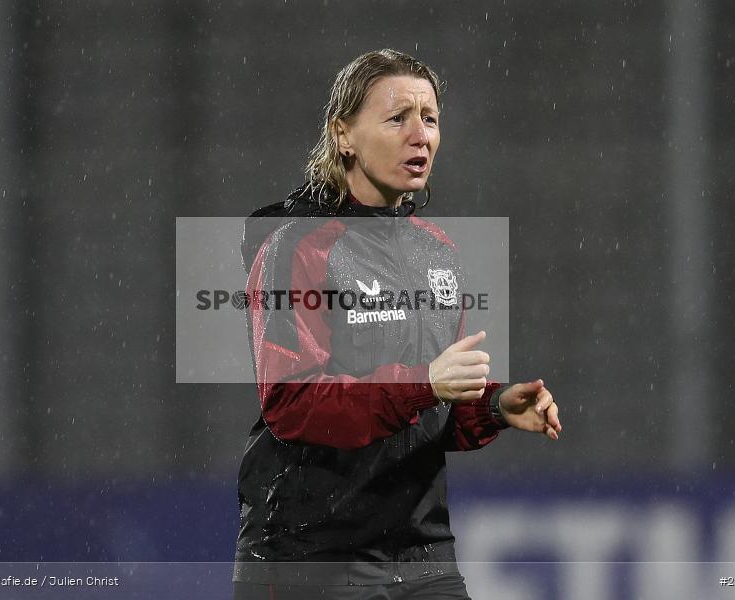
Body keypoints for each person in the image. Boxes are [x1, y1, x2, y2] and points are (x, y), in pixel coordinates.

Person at [234, 49, 561, 600]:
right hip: (312, 555)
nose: (421, 135)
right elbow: (291, 404)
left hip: (421, 554)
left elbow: (428, 413)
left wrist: (492, 407)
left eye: (430, 118)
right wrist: (422, 384)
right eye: (398, 118)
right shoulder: (297, 247)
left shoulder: (439, 253)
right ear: (344, 136)